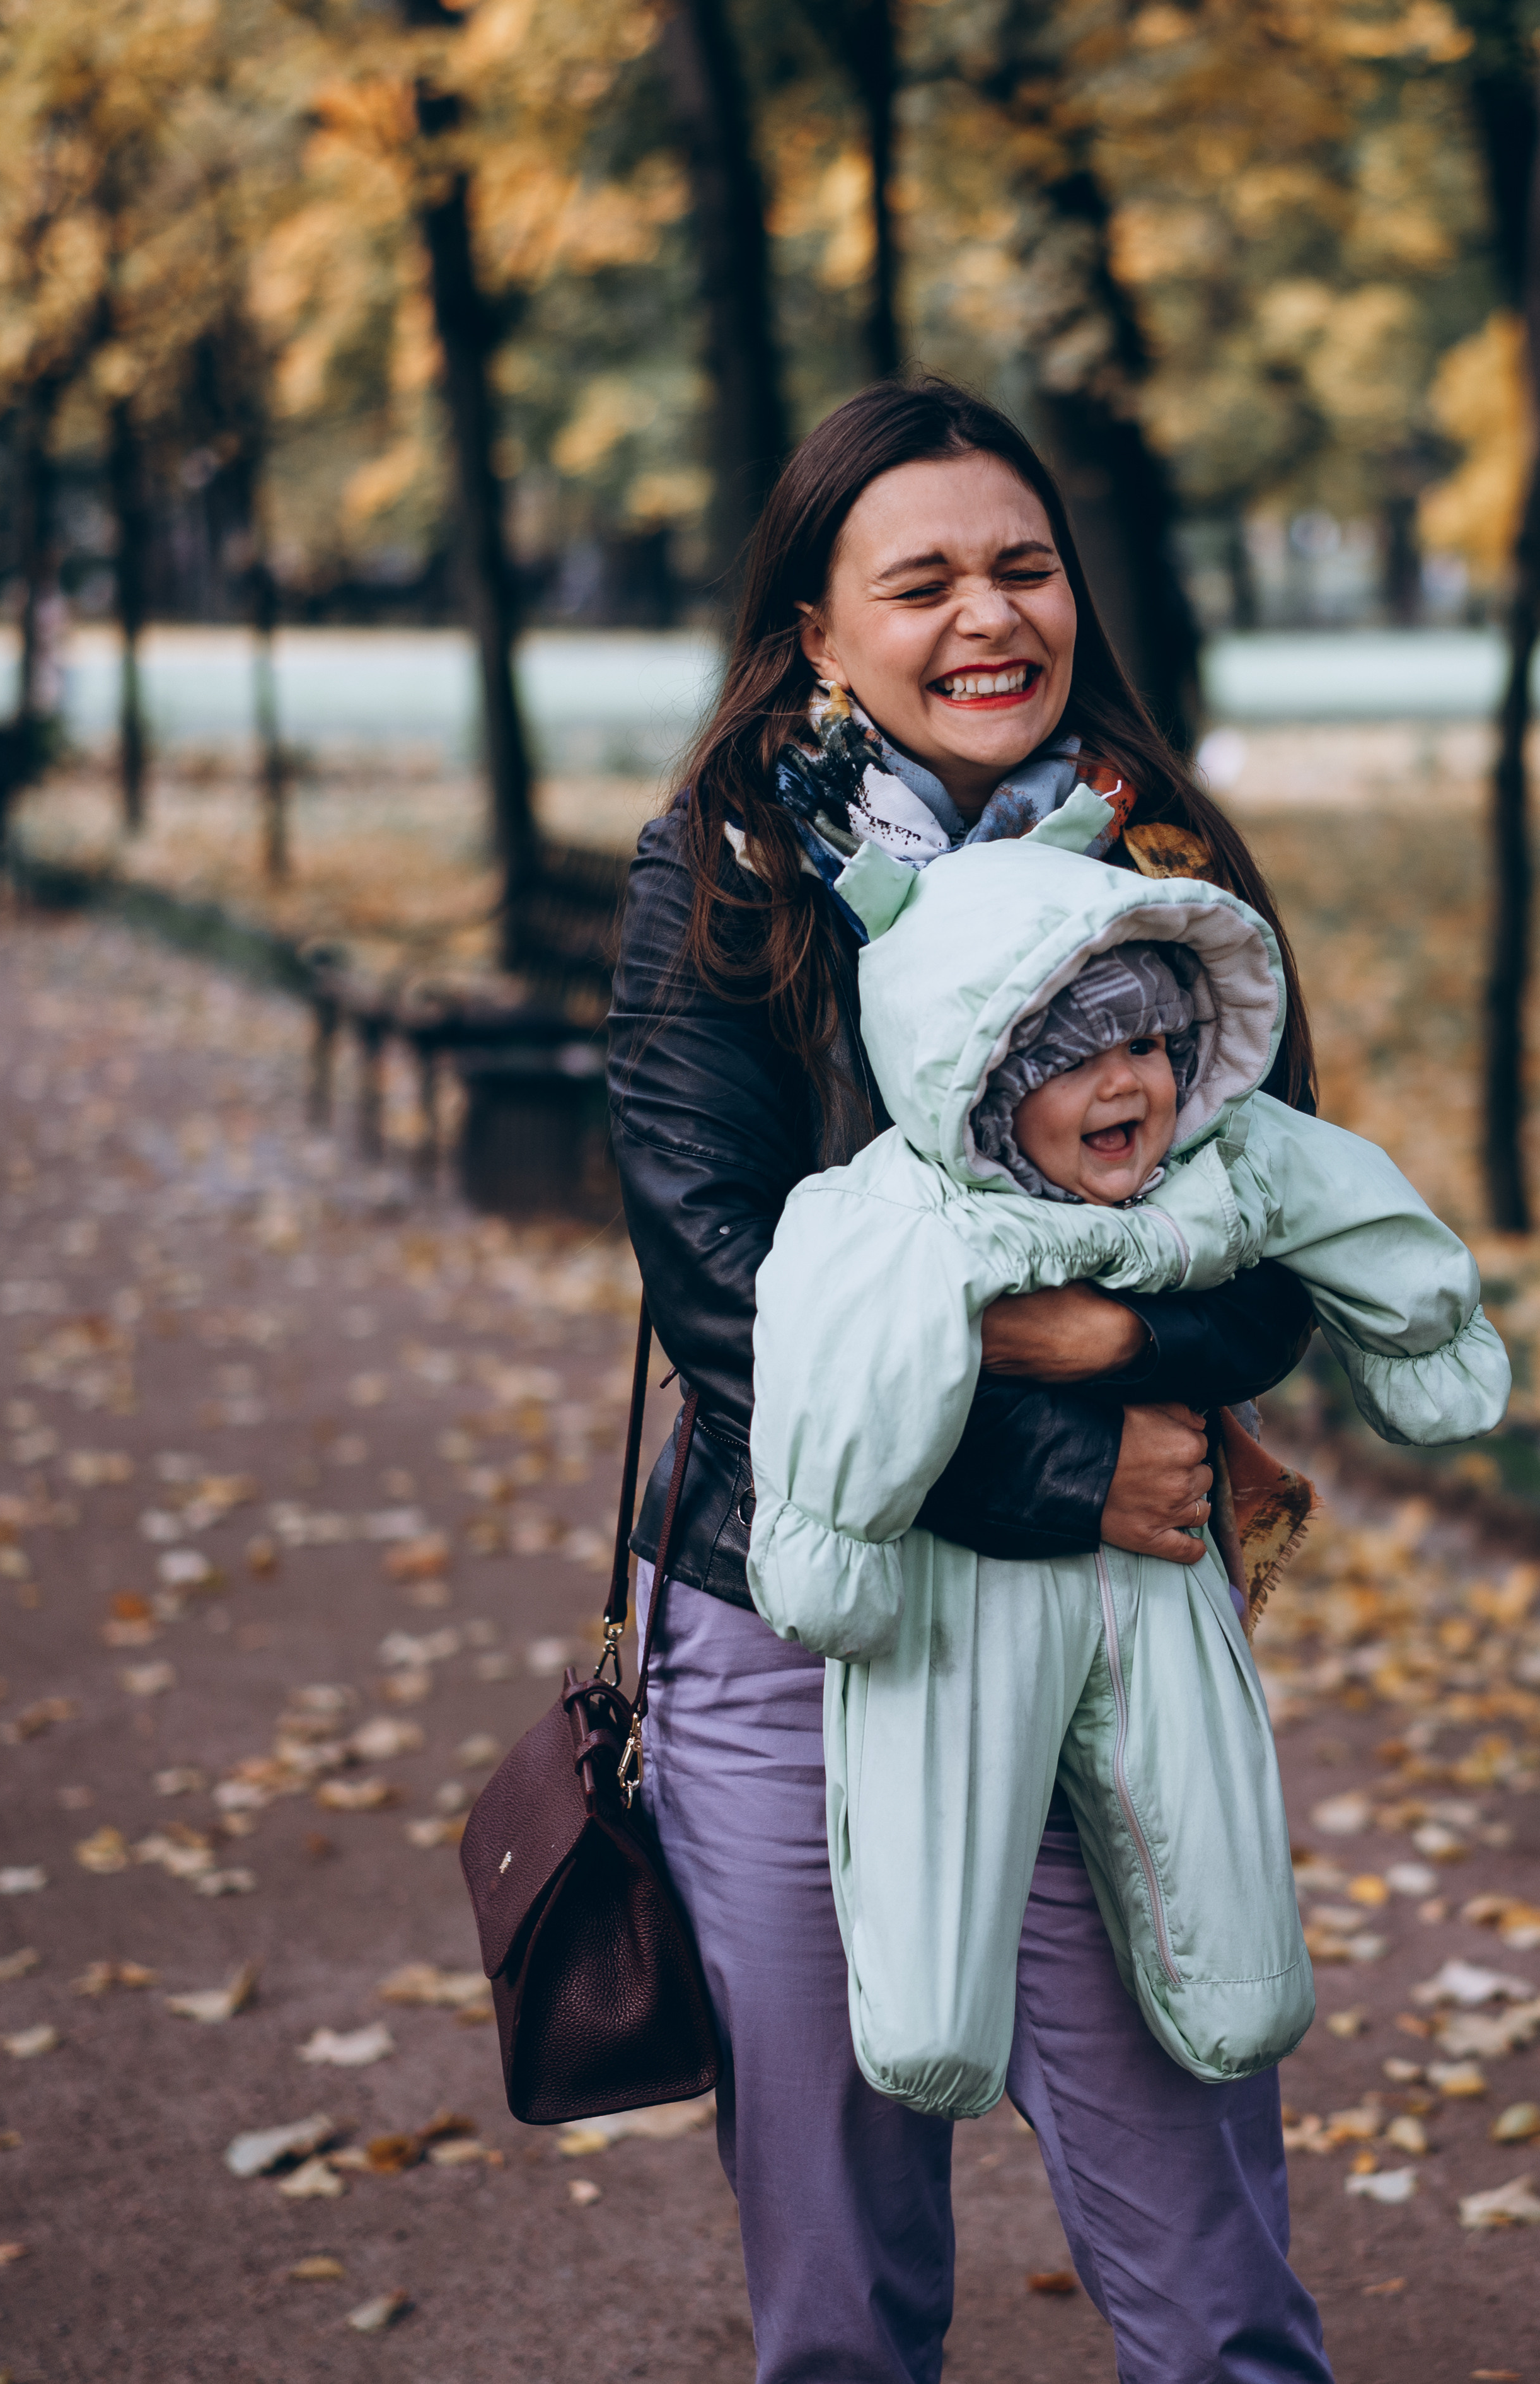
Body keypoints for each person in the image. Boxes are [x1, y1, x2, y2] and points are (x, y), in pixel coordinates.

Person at [606, 376, 1331, 2383]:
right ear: (815, 633)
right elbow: (724, 1294)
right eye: (915, 581)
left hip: (1117, 1644)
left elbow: (1280, 1243)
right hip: (788, 1632)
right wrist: (1054, 1461)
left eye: (1020, 566)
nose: (985, 617)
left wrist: (1082, 1331)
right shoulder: (727, 872)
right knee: (837, 2297)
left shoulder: (1170, 867)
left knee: (1214, 2270)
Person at [746, 827, 1508, 2120]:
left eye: (1154, 1046)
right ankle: (931, 2012)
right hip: (958, 1589)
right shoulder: (898, 1212)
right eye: (1076, 1056)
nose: (1132, 1082)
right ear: (984, 1084)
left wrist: (1426, 1335)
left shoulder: (1223, 1163)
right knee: (936, 1797)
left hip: (1162, 1572)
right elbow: (846, 1362)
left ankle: (1238, 1983)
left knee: (1199, 1797)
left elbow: (1346, 1203)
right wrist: (832, 1543)